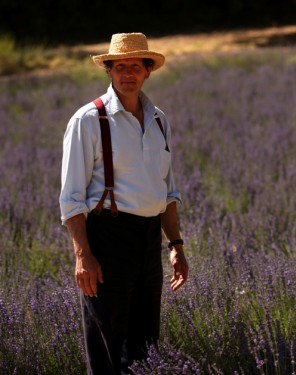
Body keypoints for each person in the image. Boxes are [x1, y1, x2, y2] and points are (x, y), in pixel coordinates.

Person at [59, 32, 189, 374]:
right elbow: (71, 199)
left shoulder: (159, 120)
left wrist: (175, 244)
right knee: (107, 347)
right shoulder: (88, 120)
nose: (127, 73)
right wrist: (83, 256)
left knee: (146, 347)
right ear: (109, 71)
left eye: (135, 65)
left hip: (148, 241)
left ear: (147, 70)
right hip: (107, 239)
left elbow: (168, 192)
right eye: (119, 66)